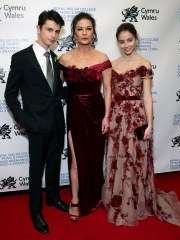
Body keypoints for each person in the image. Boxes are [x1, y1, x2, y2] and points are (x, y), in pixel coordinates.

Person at [102, 23, 180, 226]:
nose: (126, 45)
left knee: (135, 158)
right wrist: (107, 116)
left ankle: (135, 201)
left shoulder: (145, 63)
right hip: (117, 116)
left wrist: (149, 125)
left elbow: (147, 97)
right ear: (118, 42)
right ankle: (118, 198)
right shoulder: (111, 64)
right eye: (122, 41)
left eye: (129, 40)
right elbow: (108, 93)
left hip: (137, 117)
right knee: (117, 156)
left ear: (136, 39)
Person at [4, 10, 69, 234]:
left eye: (57, 32)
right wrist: (23, 120)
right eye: (49, 29)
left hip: (57, 123)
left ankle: (52, 197)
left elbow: (56, 92)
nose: (53, 35)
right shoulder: (21, 58)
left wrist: (77, 91)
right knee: (35, 170)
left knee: (53, 165)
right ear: (39, 28)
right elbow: (10, 95)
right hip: (36, 125)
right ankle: (35, 211)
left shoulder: (56, 59)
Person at [59, 12, 112, 222]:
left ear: (93, 32)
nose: (84, 32)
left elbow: (107, 90)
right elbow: (60, 85)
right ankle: (75, 200)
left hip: (97, 112)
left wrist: (107, 117)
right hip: (74, 112)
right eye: (80, 28)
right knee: (76, 161)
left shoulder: (103, 58)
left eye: (88, 28)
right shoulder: (64, 59)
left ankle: (95, 196)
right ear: (73, 32)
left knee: (95, 157)